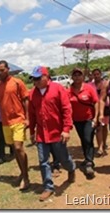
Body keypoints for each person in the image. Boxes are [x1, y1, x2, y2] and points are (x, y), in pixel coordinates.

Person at [28, 66, 76, 201]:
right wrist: (32, 132)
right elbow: (31, 115)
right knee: (43, 161)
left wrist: (66, 129)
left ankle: (71, 169)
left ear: (46, 76)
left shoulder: (58, 88)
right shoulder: (32, 93)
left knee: (63, 158)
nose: (35, 81)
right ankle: (48, 187)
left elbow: (67, 109)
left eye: (38, 78)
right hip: (41, 134)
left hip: (57, 133)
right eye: (33, 79)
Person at [0, 60, 30, 191]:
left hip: (18, 120)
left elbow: (26, 100)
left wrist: (27, 118)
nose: (0, 73)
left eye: (2, 70)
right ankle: (22, 172)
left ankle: (26, 177)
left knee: (18, 147)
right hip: (5, 123)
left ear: (8, 69)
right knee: (14, 150)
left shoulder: (18, 82)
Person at [68, 68, 99, 178]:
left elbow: (96, 102)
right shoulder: (69, 91)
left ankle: (89, 162)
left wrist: (96, 117)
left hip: (88, 118)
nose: (77, 77)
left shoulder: (89, 88)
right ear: (72, 77)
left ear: (83, 76)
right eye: (75, 75)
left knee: (87, 138)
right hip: (77, 120)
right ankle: (87, 158)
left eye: (79, 75)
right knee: (83, 139)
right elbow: (66, 106)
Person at [89, 68, 110, 157]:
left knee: (105, 127)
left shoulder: (106, 83)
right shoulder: (90, 85)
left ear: (101, 74)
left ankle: (104, 143)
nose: (96, 76)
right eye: (95, 74)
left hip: (106, 107)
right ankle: (100, 147)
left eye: (98, 74)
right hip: (95, 108)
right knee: (98, 128)